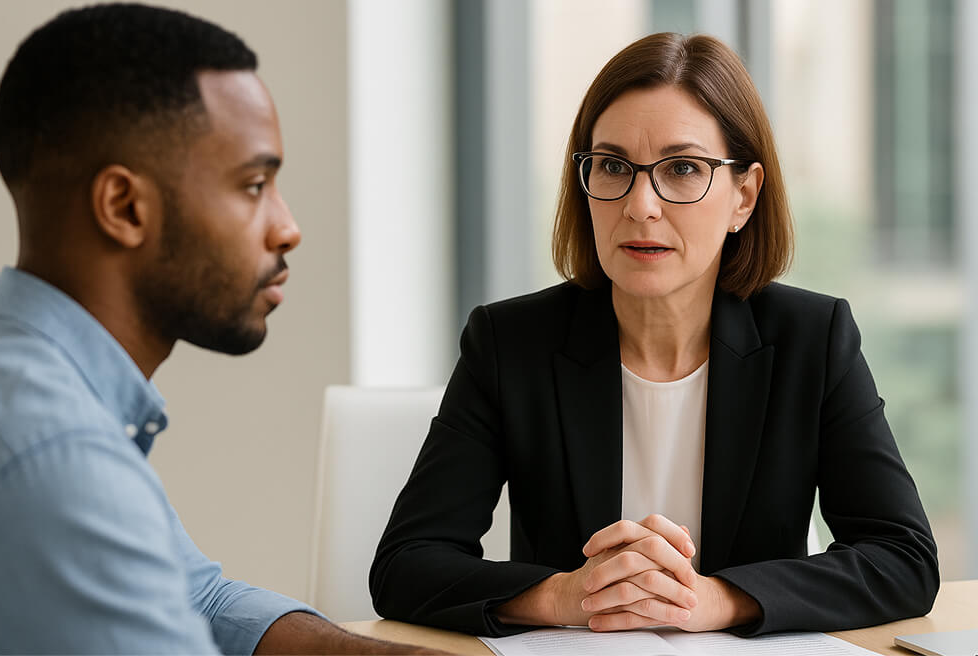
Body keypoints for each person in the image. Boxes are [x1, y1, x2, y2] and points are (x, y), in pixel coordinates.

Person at [370, 32, 940, 638]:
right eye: (613, 166)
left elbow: (903, 559)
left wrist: (716, 600)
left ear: (743, 196)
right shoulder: (510, 344)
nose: (641, 205)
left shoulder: (813, 340)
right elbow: (406, 565)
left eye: (683, 168)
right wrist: (563, 596)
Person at [0, 5, 435, 654]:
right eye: (253, 185)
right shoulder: (58, 458)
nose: (287, 227)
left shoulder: (29, 384)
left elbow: (201, 598)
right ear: (125, 207)